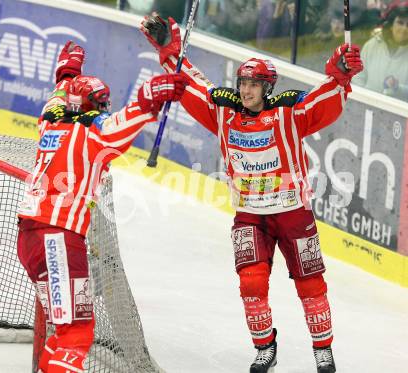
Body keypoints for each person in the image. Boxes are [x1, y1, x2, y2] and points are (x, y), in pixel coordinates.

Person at [140, 15, 363, 373]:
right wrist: (168, 51)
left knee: (311, 285)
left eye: (253, 85)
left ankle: (323, 349)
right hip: (249, 214)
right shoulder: (224, 112)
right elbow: (190, 82)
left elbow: (326, 101)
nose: (245, 90)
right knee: (251, 282)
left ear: (267, 88)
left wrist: (339, 75)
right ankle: (265, 348)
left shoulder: (289, 112)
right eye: (243, 83)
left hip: (292, 212)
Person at [16, 40, 188, 373]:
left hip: (30, 240)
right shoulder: (92, 134)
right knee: (75, 334)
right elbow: (122, 121)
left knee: (63, 329)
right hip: (59, 239)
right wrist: (151, 97)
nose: (104, 109)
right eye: (100, 104)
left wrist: (68, 74)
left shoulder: (49, 124)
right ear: (90, 108)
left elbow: (57, 98)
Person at [353, 0, 408, 100]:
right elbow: (358, 77)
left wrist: (398, 88)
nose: (404, 28)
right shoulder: (372, 45)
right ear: (391, 25)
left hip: (398, 113)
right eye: (400, 22)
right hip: (366, 109)